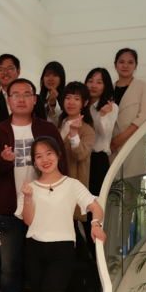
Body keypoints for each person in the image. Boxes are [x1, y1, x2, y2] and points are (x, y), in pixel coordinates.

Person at [0, 78, 63, 292]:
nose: (21, 99)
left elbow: (61, 162)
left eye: (26, 94)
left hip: (43, 210)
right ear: (8, 100)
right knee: (9, 268)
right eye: (15, 95)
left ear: (34, 99)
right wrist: (5, 161)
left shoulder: (47, 128)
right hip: (9, 209)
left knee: (39, 268)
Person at [16, 136, 106, 292]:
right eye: (38, 156)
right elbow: (28, 220)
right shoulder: (29, 187)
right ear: (34, 161)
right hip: (34, 250)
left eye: (48, 153)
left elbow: (95, 207)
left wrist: (95, 224)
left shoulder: (72, 184)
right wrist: (28, 198)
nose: (44, 159)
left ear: (58, 155)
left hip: (62, 250)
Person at [109, 48, 146, 253]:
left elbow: (144, 116)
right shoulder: (108, 88)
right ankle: (108, 249)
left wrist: (120, 139)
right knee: (110, 203)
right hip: (110, 150)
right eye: (121, 61)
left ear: (135, 65)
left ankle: (119, 250)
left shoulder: (142, 86)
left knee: (128, 205)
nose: (125, 65)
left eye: (130, 62)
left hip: (133, 149)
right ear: (115, 64)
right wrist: (112, 142)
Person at [85, 67, 118, 257]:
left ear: (106, 86)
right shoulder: (82, 104)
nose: (94, 85)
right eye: (91, 80)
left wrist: (104, 114)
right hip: (81, 158)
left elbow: (104, 133)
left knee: (95, 206)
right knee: (80, 206)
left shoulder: (110, 106)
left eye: (99, 82)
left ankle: (97, 254)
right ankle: (87, 254)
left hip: (98, 160)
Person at [57, 81, 95, 222]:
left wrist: (73, 133)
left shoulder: (87, 130)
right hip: (55, 183)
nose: (71, 102)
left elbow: (80, 155)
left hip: (73, 185)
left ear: (85, 103)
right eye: (68, 97)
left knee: (73, 226)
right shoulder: (57, 125)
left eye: (77, 99)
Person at [38, 61, 66, 125]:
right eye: (47, 75)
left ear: (61, 78)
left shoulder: (67, 99)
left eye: (55, 75)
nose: (50, 79)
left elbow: (59, 120)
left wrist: (53, 102)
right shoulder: (40, 99)